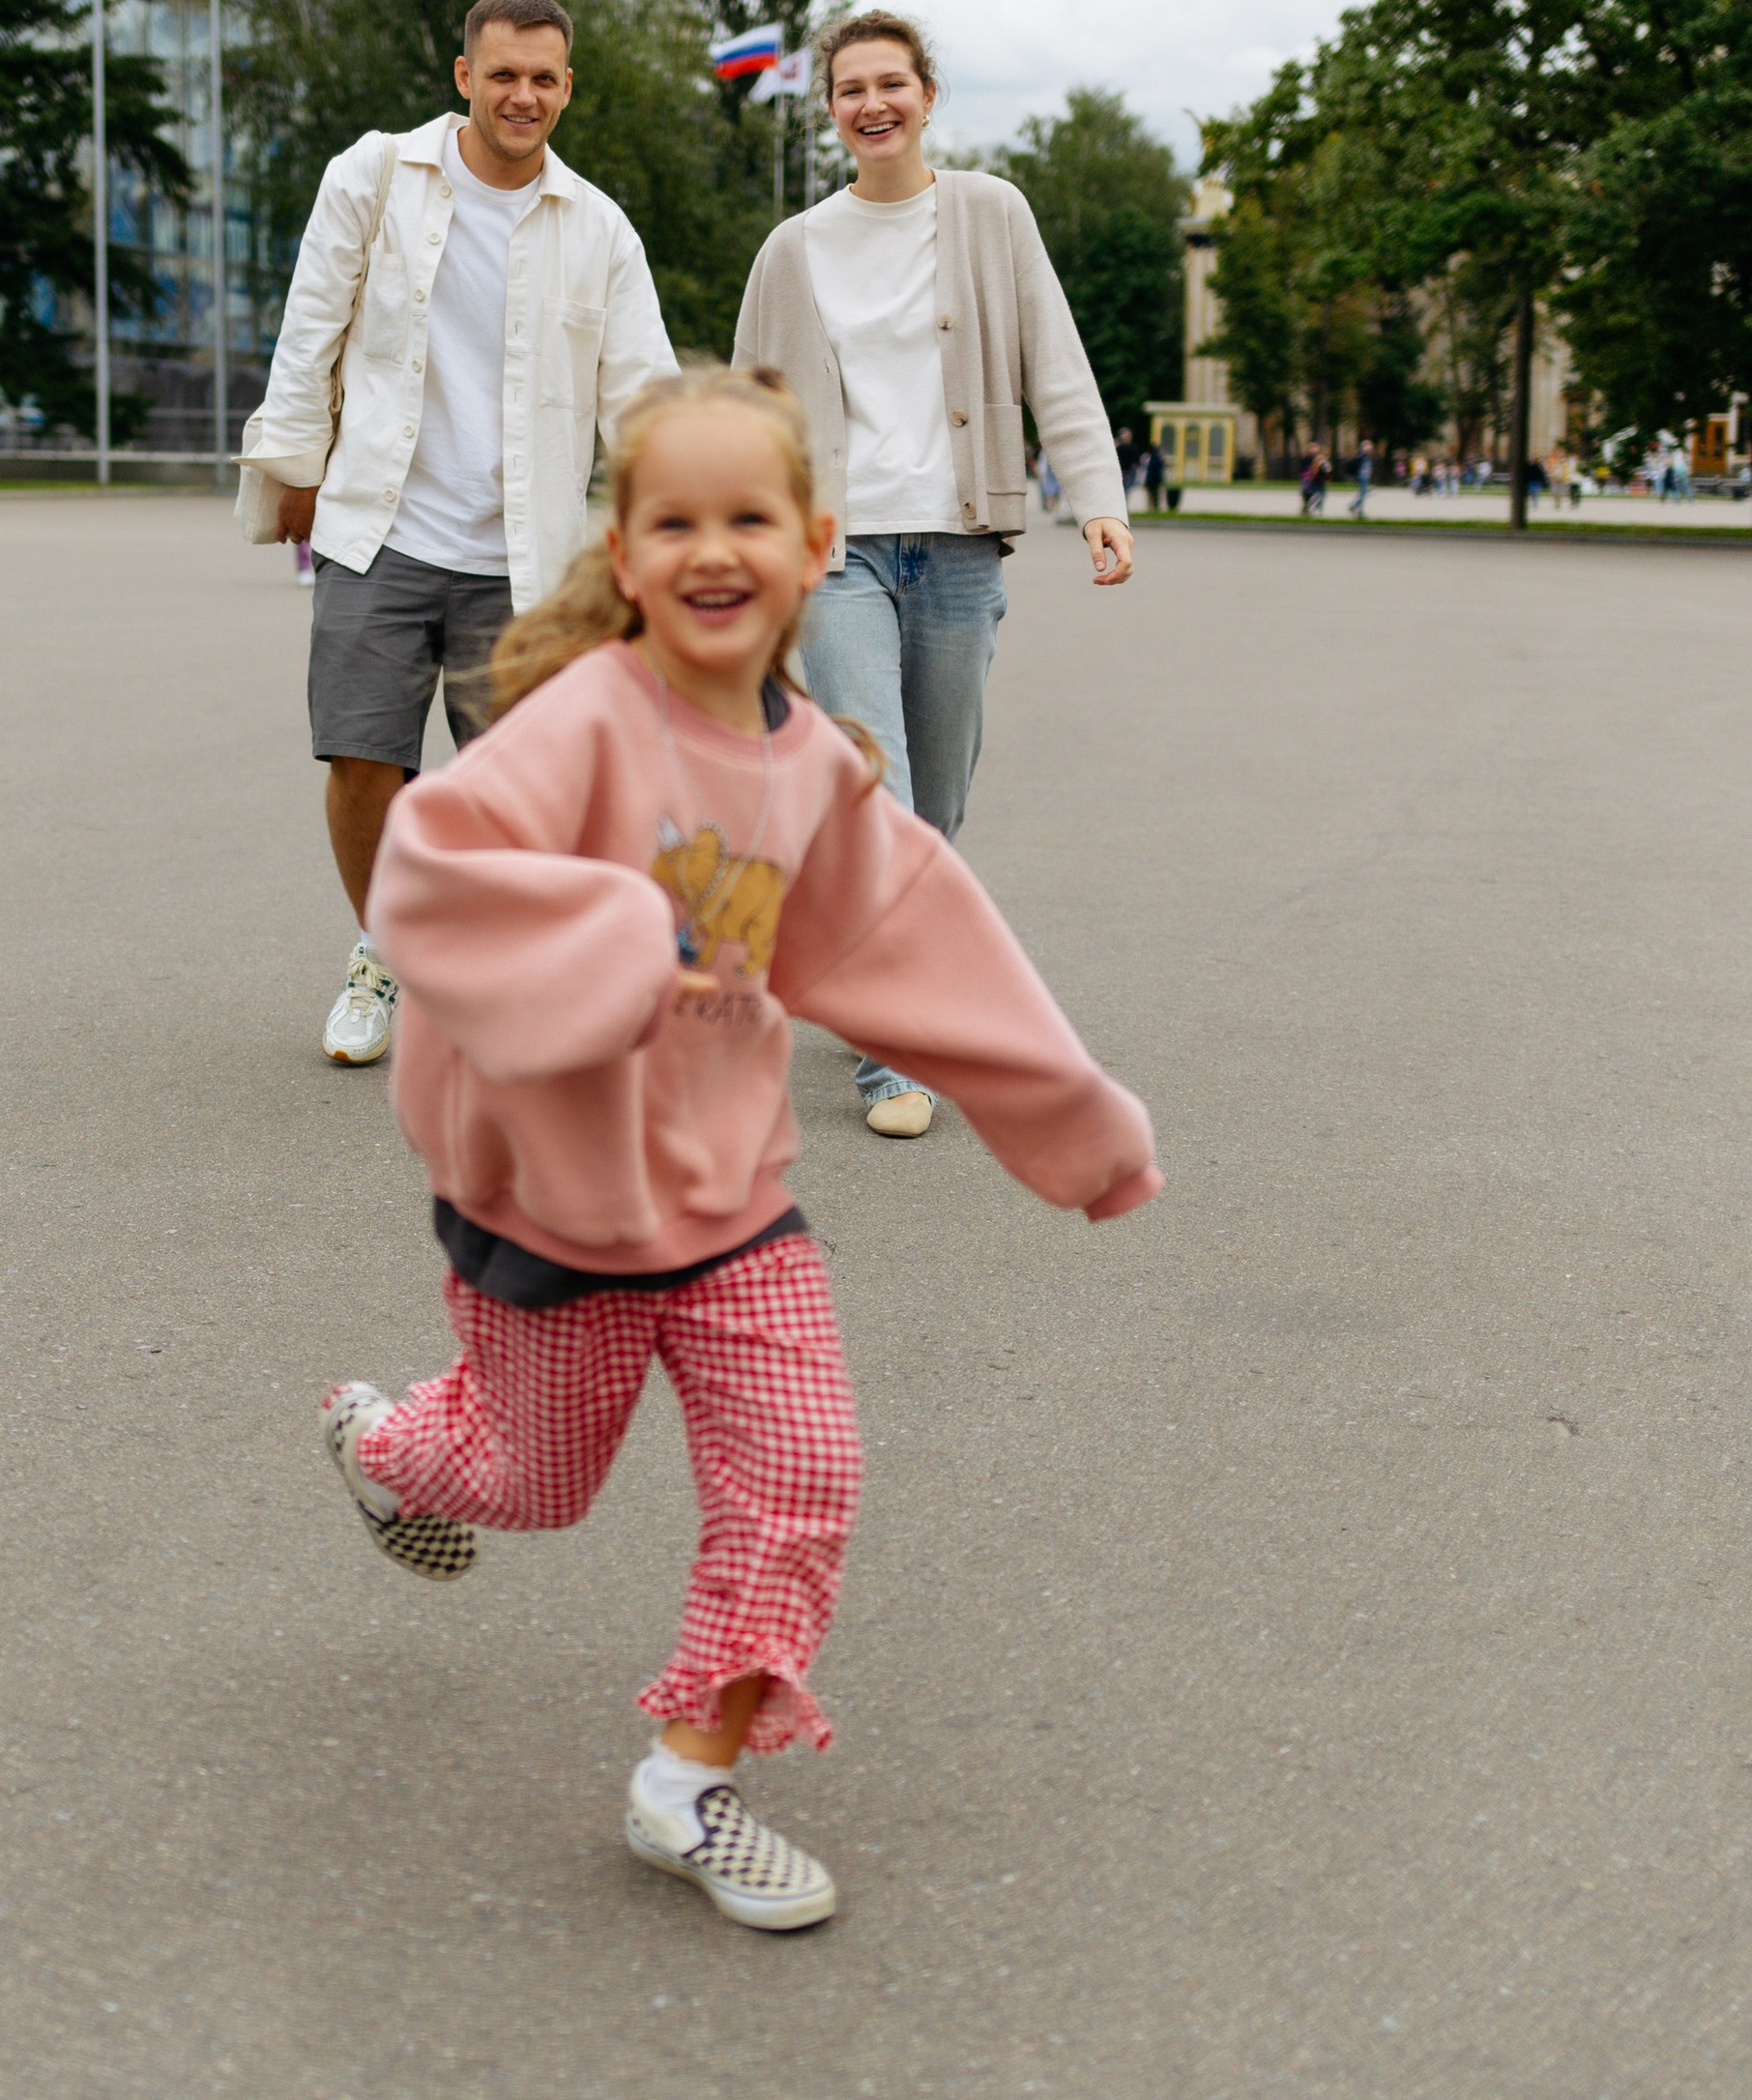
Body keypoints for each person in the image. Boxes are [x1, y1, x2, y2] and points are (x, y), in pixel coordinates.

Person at [319, 370, 1160, 1932]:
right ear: (626, 558)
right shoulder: (574, 728)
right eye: (676, 522)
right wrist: (618, 934)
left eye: (750, 519)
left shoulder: (816, 769)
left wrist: (1080, 1126)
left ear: (813, 545)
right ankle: (382, 1444)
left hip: (729, 1203)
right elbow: (432, 880)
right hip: (552, 1208)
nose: (716, 551)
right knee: (524, 1479)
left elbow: (922, 947)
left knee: (804, 1472)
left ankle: (686, 1783)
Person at [236, 0, 680, 1065]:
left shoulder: (598, 229)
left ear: (567, 88)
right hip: (381, 525)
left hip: (522, 556)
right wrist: (292, 468)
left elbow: (643, 397)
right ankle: (382, 949)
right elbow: (311, 328)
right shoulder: (376, 175)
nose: (520, 94)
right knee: (360, 760)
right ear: (463, 75)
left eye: (543, 77)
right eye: (502, 73)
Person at [730, 11, 1133, 1139]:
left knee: (937, 805)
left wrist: (1097, 498)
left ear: (927, 93)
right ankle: (890, 1055)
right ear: (829, 110)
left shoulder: (991, 214)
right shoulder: (792, 248)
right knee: (880, 796)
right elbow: (752, 415)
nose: (873, 104)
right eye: (850, 88)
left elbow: (1052, 357)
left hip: (959, 545)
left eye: (891, 83)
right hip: (838, 551)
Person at [1141, 432, 1167, 515]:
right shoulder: (1159, 458)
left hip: (1149, 478)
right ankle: (1156, 508)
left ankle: (1150, 508)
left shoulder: (1146, 457)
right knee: (1156, 494)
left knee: (1150, 495)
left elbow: (1143, 468)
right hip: (1157, 479)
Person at [1350, 438, 1373, 520]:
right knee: (1363, 494)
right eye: (1369, 447)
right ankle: (1360, 512)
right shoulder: (1361, 456)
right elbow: (1355, 465)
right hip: (1362, 476)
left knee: (1363, 493)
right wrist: (1355, 475)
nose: (1371, 449)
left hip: (1365, 476)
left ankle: (1354, 506)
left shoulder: (1366, 456)